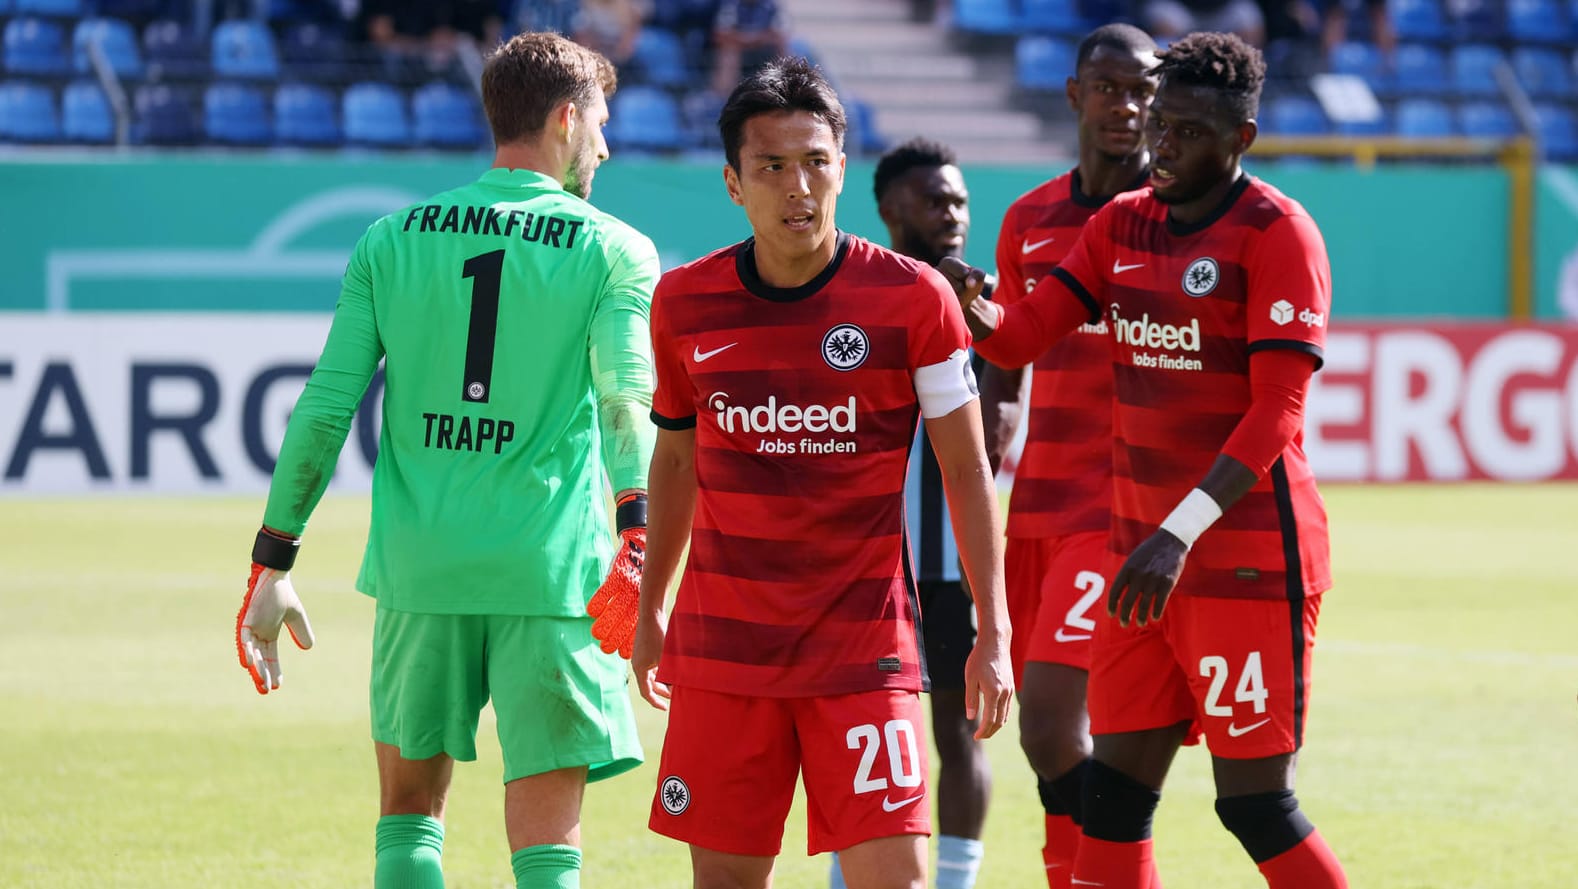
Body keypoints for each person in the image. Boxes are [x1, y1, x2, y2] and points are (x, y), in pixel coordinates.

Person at [232, 32, 661, 889]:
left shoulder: (391, 240)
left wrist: (272, 558)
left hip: (421, 568)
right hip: (552, 571)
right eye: (601, 126)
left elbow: (323, 408)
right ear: (566, 119)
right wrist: (639, 532)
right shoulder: (616, 248)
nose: (606, 147)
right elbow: (624, 402)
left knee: (409, 815)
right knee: (546, 838)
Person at [945, 31, 1348, 889]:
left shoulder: (1278, 233)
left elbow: (1277, 409)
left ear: (1240, 138)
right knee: (1115, 797)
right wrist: (968, 301)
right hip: (1141, 560)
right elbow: (1022, 335)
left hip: (1242, 561)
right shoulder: (1121, 222)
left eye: (1189, 132)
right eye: (1160, 126)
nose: (1162, 146)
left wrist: (1179, 531)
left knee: (1252, 802)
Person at [631, 57, 1014, 889]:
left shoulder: (913, 299)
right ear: (735, 183)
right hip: (726, 653)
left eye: (816, 161)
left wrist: (994, 626)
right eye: (772, 166)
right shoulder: (683, 303)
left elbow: (965, 464)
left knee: (896, 881)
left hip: (863, 652)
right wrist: (653, 603)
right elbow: (674, 457)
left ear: (843, 168)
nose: (797, 186)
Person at [977, 24, 1161, 889]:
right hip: (1035, 503)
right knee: (1041, 735)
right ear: (1074, 95)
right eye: (1110, 87)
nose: (1126, 106)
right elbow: (1011, 351)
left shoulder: (1174, 223)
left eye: (1143, 91)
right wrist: (998, 411)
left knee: (1054, 720)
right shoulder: (1030, 220)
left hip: (1116, 508)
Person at [825, 137, 994, 889]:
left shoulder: (984, 303)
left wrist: (976, 327)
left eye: (959, 201)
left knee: (957, 736)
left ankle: (951, 881)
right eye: (935, 201)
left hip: (951, 564)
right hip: (863, 561)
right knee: (852, 733)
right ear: (891, 208)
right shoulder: (855, 289)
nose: (952, 215)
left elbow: (994, 435)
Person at [710, 0, 792, 95]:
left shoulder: (772, 6)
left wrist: (757, 39)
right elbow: (720, 34)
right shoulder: (730, 5)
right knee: (728, 51)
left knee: (782, 46)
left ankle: (785, 89)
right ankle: (724, 95)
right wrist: (745, 40)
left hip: (765, 48)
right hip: (738, 48)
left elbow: (781, 34)